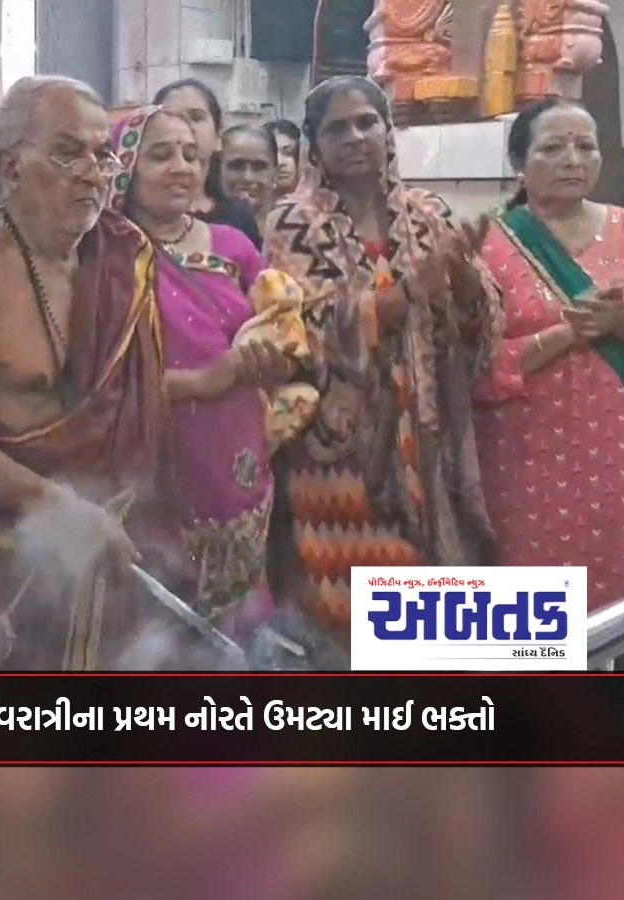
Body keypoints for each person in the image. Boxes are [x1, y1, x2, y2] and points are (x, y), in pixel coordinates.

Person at [0, 76, 200, 670]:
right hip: (12, 556)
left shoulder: (126, 257)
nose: (94, 173)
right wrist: (59, 507)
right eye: (69, 153)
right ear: (13, 167)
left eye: (103, 154)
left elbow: (142, 416)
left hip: (116, 540)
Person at [265, 76, 502, 643]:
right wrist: (407, 293)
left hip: (427, 440)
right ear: (313, 145)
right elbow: (303, 329)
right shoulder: (294, 222)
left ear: (387, 132)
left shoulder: (427, 214)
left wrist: (465, 279)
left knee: (433, 613)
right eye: (336, 128)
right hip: (340, 452)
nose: (355, 137)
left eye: (367, 122)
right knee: (351, 613)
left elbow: (483, 325)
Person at [475, 98, 624, 611]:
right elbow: (471, 368)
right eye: (553, 147)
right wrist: (566, 334)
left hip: (622, 467)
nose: (573, 159)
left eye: (585, 147)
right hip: (522, 466)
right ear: (519, 163)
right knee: (532, 621)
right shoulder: (486, 244)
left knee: (621, 614)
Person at [108, 105, 298, 638]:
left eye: (192, 155)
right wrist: (201, 382)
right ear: (125, 167)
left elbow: (282, 331)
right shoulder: (106, 258)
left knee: (241, 620)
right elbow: (93, 379)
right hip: (151, 461)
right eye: (161, 155)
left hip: (237, 456)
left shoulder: (234, 247)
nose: (182, 168)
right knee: (159, 628)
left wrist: (274, 361)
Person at [152, 79, 262, 248]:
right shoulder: (140, 216)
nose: (186, 126)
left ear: (218, 137)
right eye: (172, 117)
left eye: (196, 117)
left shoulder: (238, 217)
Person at [219, 124, 280, 238]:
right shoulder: (202, 232)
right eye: (236, 166)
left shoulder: (290, 230)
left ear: (275, 173)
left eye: (259, 167)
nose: (247, 177)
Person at [263, 118, 300, 198]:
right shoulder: (250, 205)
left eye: (288, 153)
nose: (279, 162)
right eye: (270, 154)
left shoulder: (322, 202)